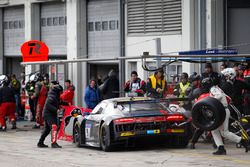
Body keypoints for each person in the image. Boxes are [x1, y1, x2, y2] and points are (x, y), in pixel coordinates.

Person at [205, 77, 250, 155]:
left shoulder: (213, 89)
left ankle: (243, 141)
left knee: (224, 132)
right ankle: (221, 147)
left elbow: (219, 96)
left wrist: (209, 101)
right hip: (222, 110)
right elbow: (228, 98)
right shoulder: (217, 88)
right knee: (214, 130)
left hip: (222, 110)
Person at [37, 84, 64, 148]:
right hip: (48, 114)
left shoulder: (55, 95)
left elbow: (59, 102)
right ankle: (54, 143)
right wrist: (56, 110)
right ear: (57, 91)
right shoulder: (51, 96)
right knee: (54, 127)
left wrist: (66, 103)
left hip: (50, 114)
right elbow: (48, 105)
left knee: (47, 130)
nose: (61, 93)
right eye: (60, 91)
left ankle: (40, 142)